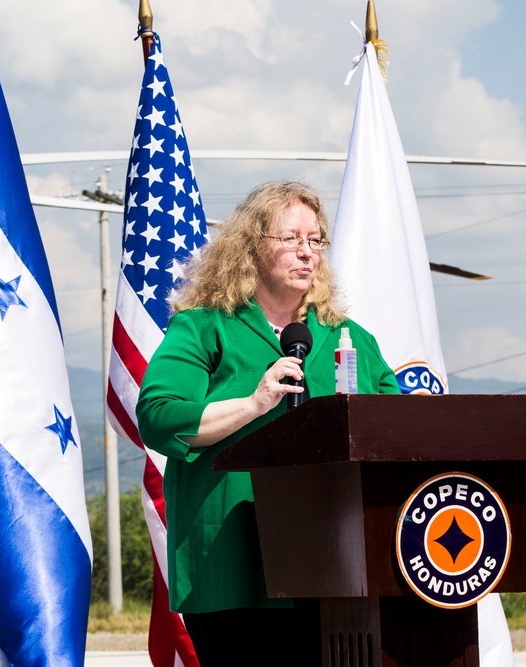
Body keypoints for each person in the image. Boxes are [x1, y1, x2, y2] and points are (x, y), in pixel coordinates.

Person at [136, 181, 399, 664]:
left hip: (337, 561)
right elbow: (159, 417)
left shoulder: (347, 337)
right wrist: (255, 401)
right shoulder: (205, 326)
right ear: (251, 247)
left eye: (315, 240)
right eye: (291, 238)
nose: (307, 252)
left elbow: (394, 423)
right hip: (232, 561)